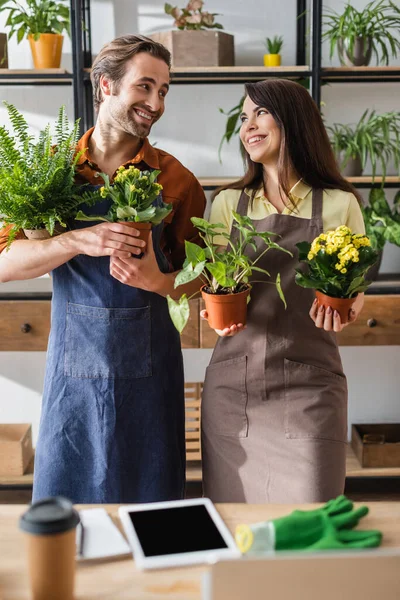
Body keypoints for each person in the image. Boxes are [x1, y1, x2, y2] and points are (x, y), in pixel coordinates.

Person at [0, 35, 206, 503]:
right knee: (68, 521)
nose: (156, 103)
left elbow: (203, 281)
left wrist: (156, 279)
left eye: (165, 91)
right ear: (106, 84)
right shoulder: (51, 171)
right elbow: (5, 264)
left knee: (154, 516)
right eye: (145, 87)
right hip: (72, 374)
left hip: (152, 376)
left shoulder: (176, 181)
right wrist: (78, 240)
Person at [201, 79, 365, 504]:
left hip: (312, 385)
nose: (247, 126)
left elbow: (354, 285)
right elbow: (216, 282)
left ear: (291, 119)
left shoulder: (338, 202)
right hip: (234, 388)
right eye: (243, 117)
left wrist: (346, 307)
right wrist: (210, 308)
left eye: (260, 113)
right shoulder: (226, 204)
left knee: (314, 519)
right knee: (236, 527)